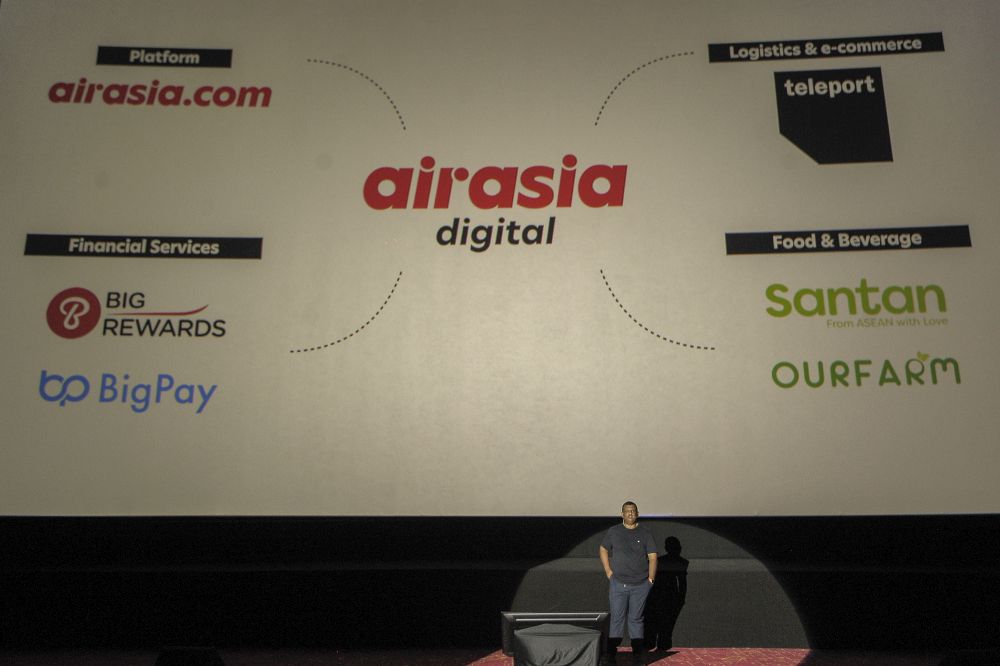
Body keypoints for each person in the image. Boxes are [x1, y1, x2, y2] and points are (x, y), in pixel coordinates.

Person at [599, 501, 657, 665]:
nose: (630, 514)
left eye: (633, 511)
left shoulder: (645, 532)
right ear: (622, 514)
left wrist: (650, 580)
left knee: (636, 619)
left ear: (637, 513)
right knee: (616, 619)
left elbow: (652, 557)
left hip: (640, 585)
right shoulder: (614, 531)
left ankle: (637, 655)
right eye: (627, 511)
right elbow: (603, 548)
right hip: (618, 584)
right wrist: (608, 571)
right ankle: (611, 654)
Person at [643, 536, 688, 652]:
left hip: (660, 594)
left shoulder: (662, 562)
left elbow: (682, 583)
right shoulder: (681, 562)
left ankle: (652, 643)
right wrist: (681, 598)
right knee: (664, 623)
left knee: (657, 622)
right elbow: (682, 583)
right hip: (667, 595)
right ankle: (659, 644)